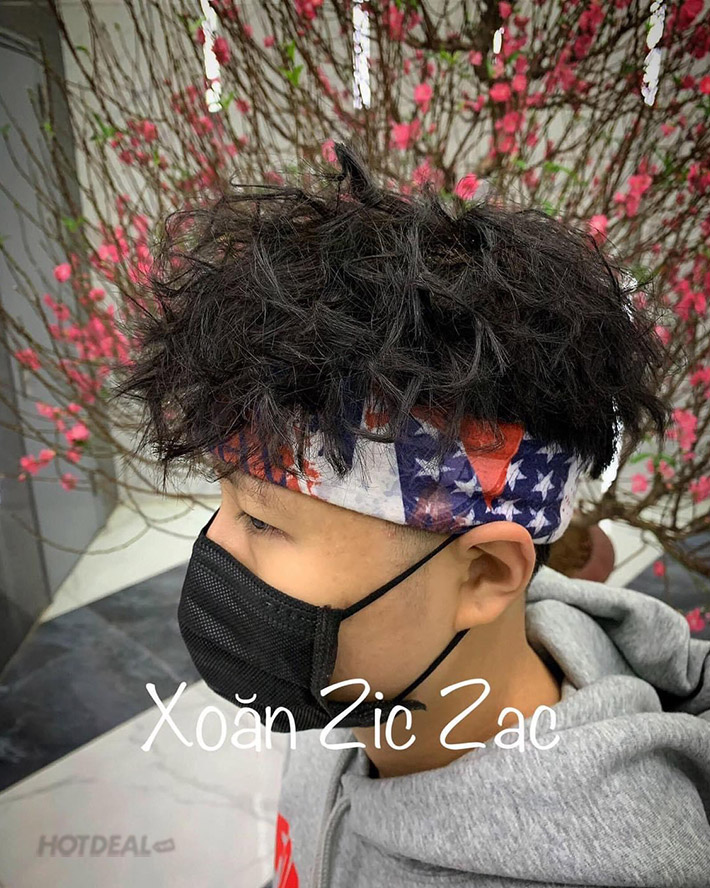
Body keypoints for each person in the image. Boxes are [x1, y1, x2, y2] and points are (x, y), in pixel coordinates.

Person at [112, 141, 710, 887]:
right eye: (224, 499)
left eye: (263, 520)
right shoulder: (352, 692)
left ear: (484, 573)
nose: (215, 544)